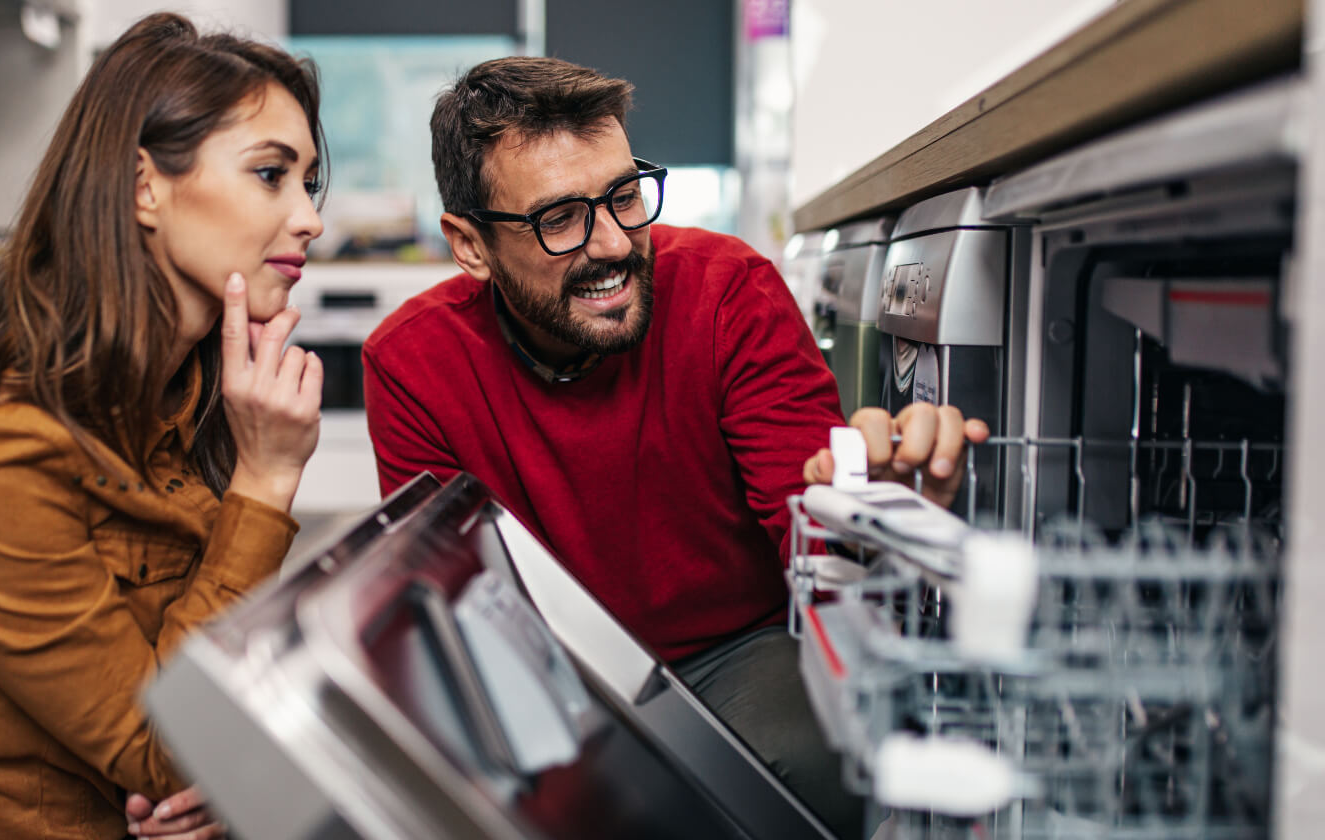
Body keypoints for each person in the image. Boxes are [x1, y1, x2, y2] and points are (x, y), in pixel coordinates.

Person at [362, 57, 988, 840]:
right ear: (470, 244)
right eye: (560, 219)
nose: (615, 245)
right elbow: (449, 607)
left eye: (625, 197)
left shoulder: (728, 290)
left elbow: (812, 526)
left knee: (825, 756)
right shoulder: (412, 362)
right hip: (549, 669)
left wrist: (875, 507)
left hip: (734, 651)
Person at [0, 14, 327, 840]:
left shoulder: (187, 400)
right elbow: (166, 743)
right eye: (272, 175)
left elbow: (187, 705)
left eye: (308, 182)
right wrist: (266, 480)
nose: (307, 217)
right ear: (143, 187)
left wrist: (202, 785)